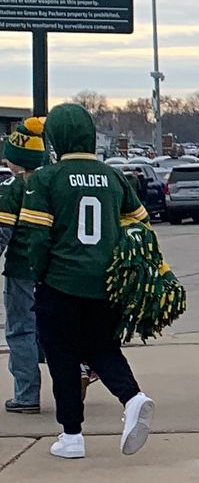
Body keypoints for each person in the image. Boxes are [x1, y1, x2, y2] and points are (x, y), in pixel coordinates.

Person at [11, 103, 154, 457]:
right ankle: (132, 396)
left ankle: (72, 434)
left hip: (60, 282)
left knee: (62, 356)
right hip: (106, 283)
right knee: (102, 347)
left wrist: (39, 274)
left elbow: (36, 238)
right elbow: (141, 227)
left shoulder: (46, 178)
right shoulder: (114, 177)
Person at [2, 116, 46, 412]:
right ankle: (79, 371)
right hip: (52, 269)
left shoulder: (10, 189)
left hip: (20, 270)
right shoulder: (49, 184)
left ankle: (26, 394)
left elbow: (2, 232)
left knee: (21, 330)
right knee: (55, 327)